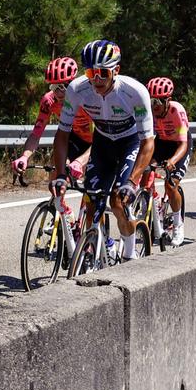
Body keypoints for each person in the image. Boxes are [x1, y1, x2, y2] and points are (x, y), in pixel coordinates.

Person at [58, 39, 155, 259]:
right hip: (102, 143)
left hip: (130, 142)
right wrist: (60, 174)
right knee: (92, 201)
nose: (97, 79)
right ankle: (102, 245)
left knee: (118, 201)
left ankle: (130, 255)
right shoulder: (77, 89)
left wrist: (132, 181)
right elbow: (62, 133)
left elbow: (148, 142)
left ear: (116, 70)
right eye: (92, 73)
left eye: (103, 73)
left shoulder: (135, 92)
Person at [12, 57, 92, 186]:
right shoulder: (49, 101)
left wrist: (81, 161)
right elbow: (36, 134)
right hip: (77, 137)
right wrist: (25, 156)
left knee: (91, 191)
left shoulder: (88, 98)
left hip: (99, 141)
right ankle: (58, 204)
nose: (59, 93)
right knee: (58, 168)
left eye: (63, 86)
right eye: (54, 86)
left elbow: (102, 137)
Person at [144, 76, 191, 246]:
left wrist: (172, 160)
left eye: (158, 101)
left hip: (179, 144)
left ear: (168, 100)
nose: (154, 105)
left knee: (171, 184)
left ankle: (178, 224)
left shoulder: (176, 110)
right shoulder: (148, 110)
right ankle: (150, 209)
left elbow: (183, 143)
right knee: (144, 173)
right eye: (151, 100)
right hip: (162, 142)